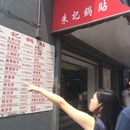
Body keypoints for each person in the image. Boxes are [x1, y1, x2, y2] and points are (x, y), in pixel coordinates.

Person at [24, 82, 120, 130]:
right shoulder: (115, 122)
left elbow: (62, 103)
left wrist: (38, 89)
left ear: (101, 106)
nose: (90, 100)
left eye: (93, 98)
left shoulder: (94, 123)